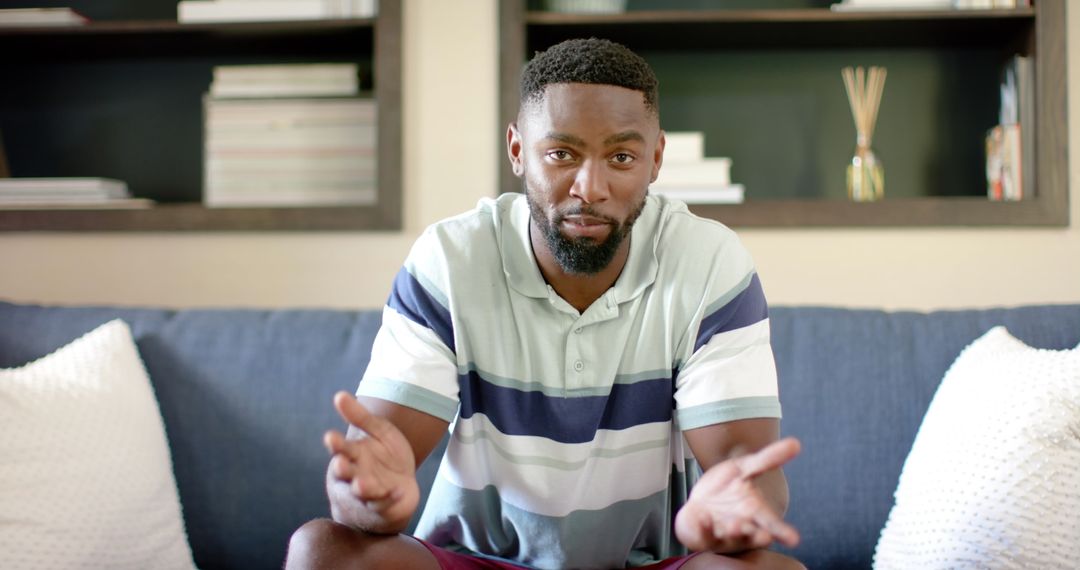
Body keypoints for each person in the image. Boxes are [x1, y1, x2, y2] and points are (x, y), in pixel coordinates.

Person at [286, 38, 804, 570]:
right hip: (477, 561)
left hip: (648, 565)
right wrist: (369, 501)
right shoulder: (450, 260)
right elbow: (367, 474)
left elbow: (746, 468)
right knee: (321, 551)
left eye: (621, 157)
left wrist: (737, 511)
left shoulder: (709, 261)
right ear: (517, 150)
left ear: (655, 159)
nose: (590, 188)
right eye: (561, 154)